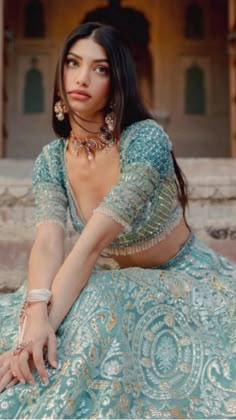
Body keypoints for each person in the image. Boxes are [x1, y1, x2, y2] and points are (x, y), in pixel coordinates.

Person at [0, 22, 235, 419]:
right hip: (111, 276)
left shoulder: (144, 141)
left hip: (182, 281)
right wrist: (34, 317)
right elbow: (48, 242)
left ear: (117, 81)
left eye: (100, 68)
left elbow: (90, 246)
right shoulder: (51, 160)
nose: (82, 77)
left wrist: (35, 337)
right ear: (59, 75)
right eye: (73, 63)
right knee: (29, 308)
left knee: (93, 298)